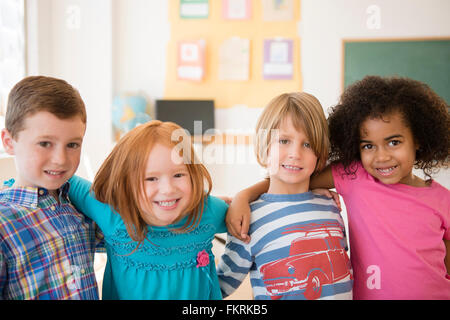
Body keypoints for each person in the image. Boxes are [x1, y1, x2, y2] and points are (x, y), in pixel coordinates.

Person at [226, 76, 450, 299]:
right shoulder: (353, 176)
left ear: (418, 138)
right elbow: (292, 179)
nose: (382, 156)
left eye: (394, 142)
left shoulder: (443, 200)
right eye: (368, 145)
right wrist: (244, 196)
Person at [68, 120, 229, 299]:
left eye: (178, 175)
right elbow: (67, 178)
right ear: (127, 184)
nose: (168, 189)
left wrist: (244, 198)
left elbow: (250, 213)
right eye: (151, 178)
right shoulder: (114, 215)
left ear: (193, 175)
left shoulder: (207, 211)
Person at [217, 92, 352, 300]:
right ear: (264, 145)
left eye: (307, 144)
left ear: (320, 154)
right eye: (284, 141)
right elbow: (219, 287)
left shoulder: (330, 205)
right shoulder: (248, 217)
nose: (295, 153)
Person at [0, 76, 103, 299]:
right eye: (45, 143)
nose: (60, 159)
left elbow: (126, 230)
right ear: (9, 142)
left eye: (72, 144)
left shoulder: (79, 208)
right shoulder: (3, 222)